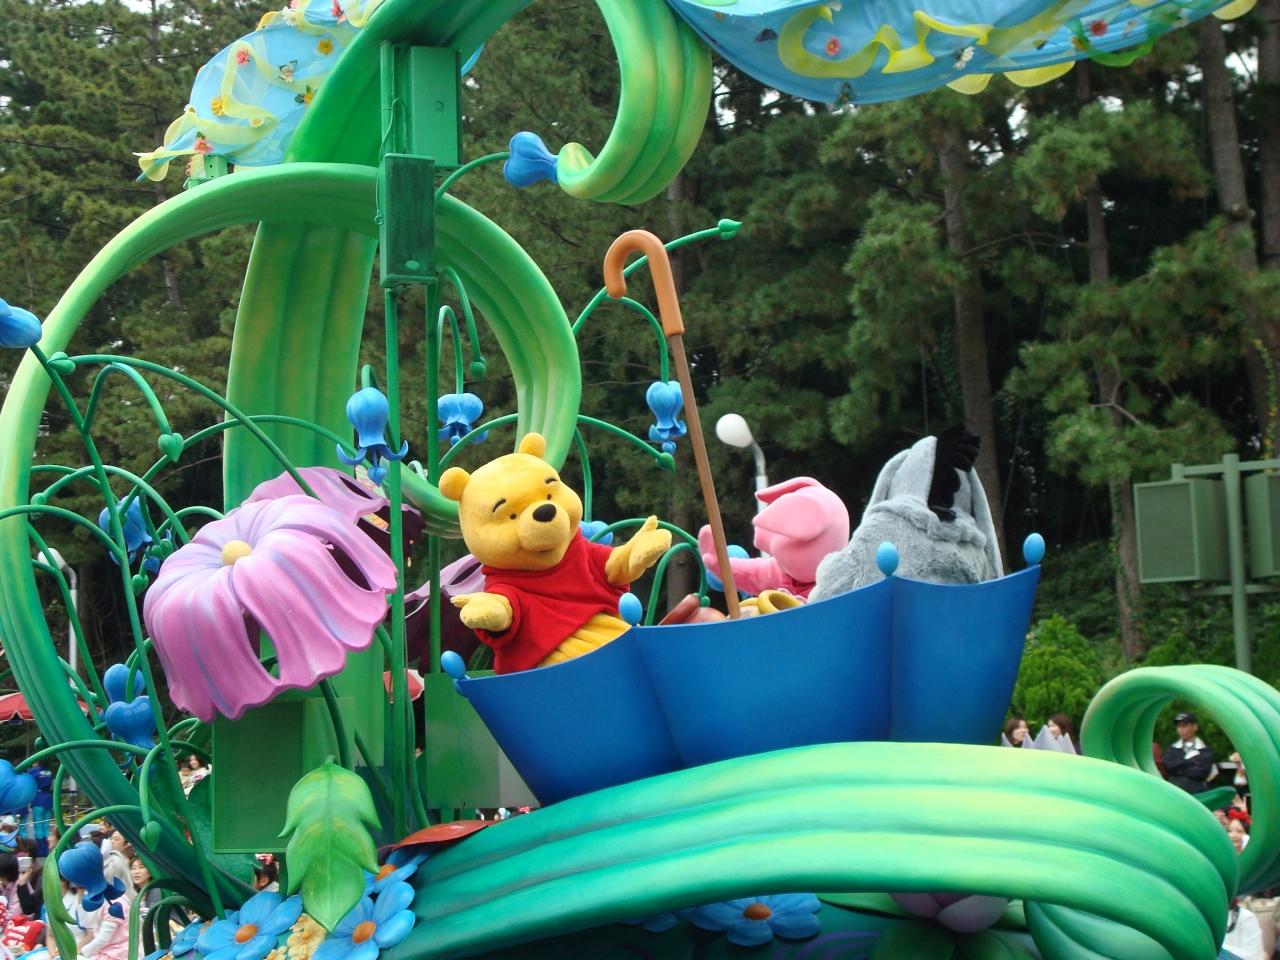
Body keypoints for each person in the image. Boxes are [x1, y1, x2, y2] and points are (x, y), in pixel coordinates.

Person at [1163, 711, 1216, 794]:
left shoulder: (1205, 749)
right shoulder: (1171, 749)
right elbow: (1169, 767)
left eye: (1184, 726)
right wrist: (1190, 762)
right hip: (1175, 793)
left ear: (1195, 727)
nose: (1180, 730)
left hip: (1198, 793)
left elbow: (1203, 772)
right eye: (1178, 726)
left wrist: (1178, 771)